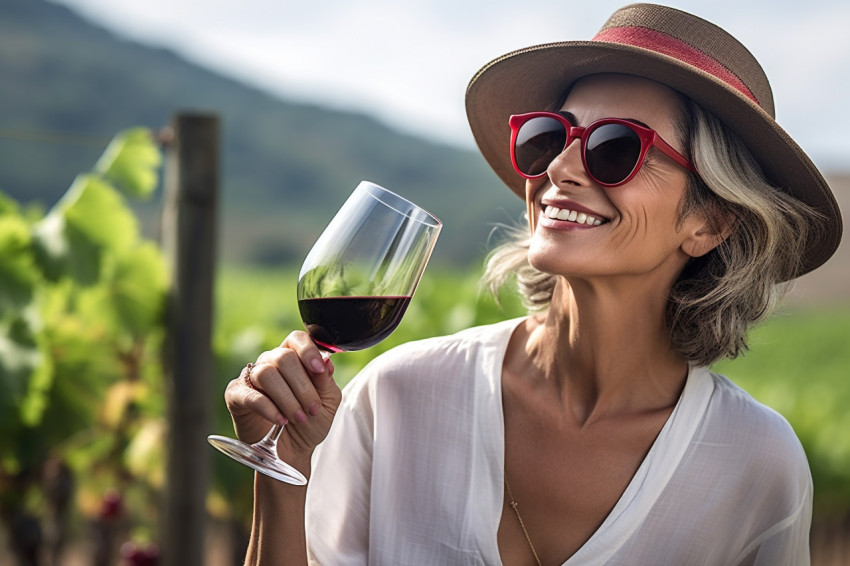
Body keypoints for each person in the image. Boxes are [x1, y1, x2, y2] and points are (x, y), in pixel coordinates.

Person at [224, 4, 843, 565]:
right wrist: (287, 467)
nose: (559, 167)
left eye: (615, 147)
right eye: (552, 136)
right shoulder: (398, 398)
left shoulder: (755, 463)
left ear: (709, 222)